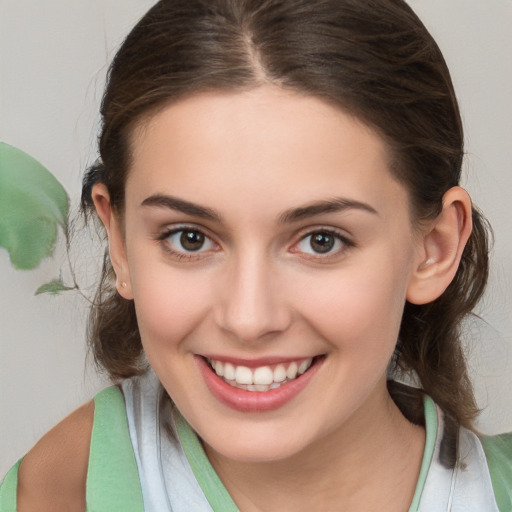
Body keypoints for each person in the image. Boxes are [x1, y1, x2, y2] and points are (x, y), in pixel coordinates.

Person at [1, 0, 511, 510]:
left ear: (434, 249)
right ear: (121, 243)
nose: (248, 320)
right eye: (190, 238)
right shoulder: (62, 491)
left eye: (321, 241)